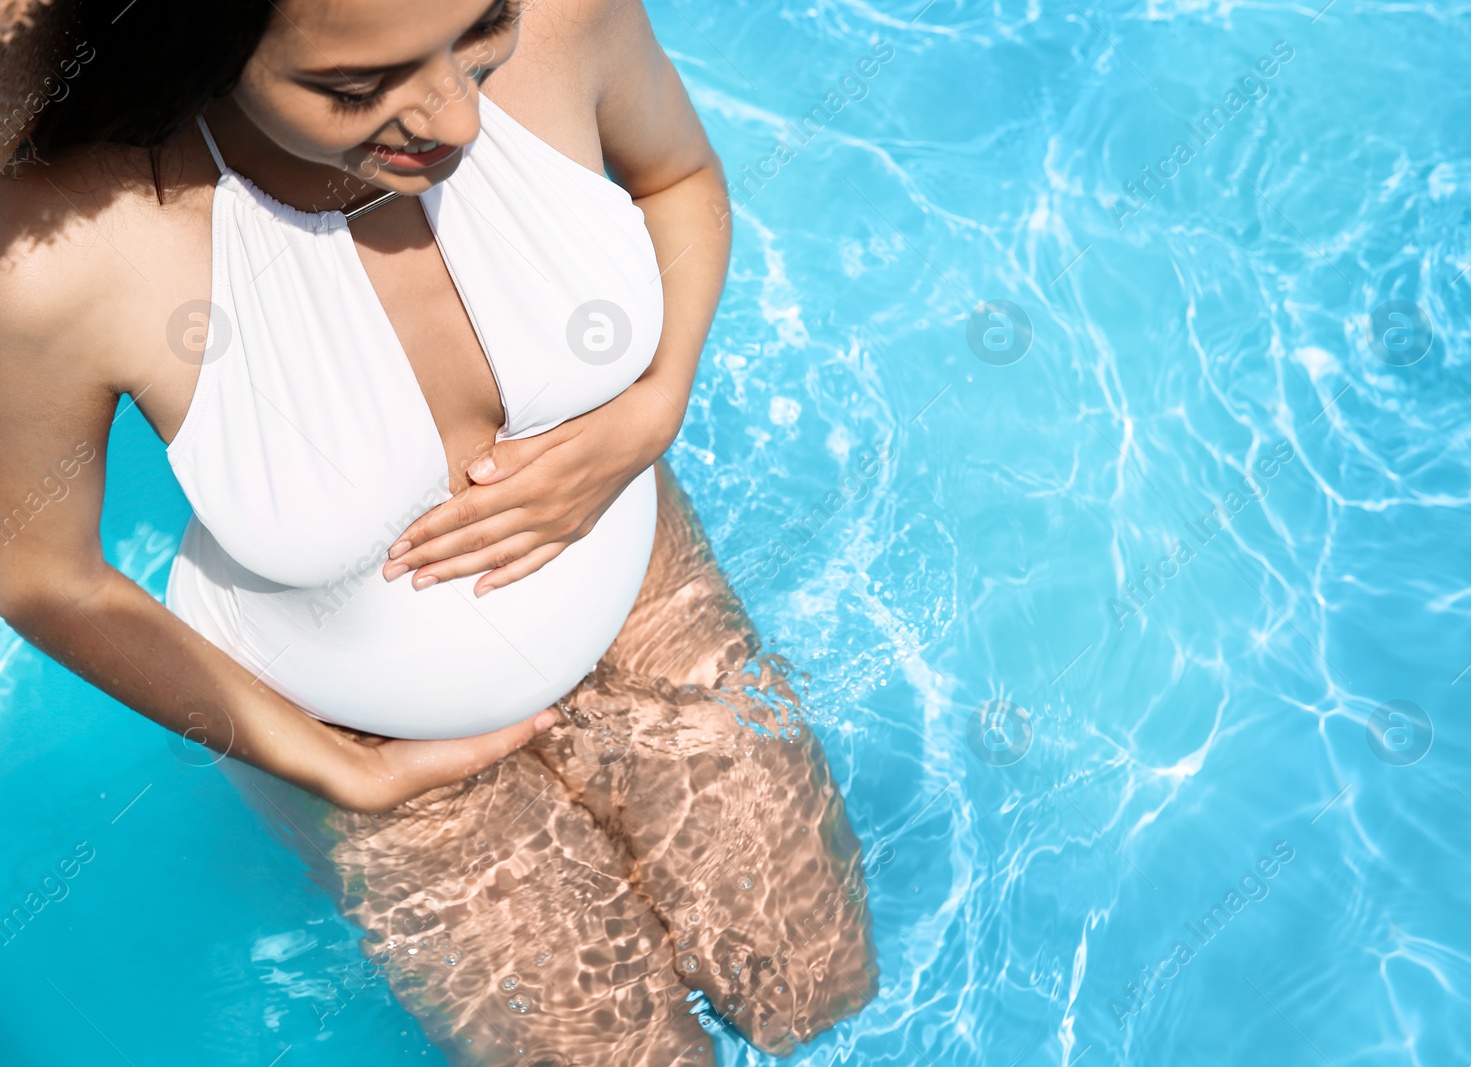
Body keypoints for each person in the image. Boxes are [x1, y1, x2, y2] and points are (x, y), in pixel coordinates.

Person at [0, 0, 877, 1061]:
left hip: (644, 597)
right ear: (209, 53)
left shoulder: (568, 21)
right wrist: (336, 774)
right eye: (356, 88)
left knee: (812, 987)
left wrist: (655, 403)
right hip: (366, 733)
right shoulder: (80, 253)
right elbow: (44, 574)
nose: (456, 118)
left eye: (480, 28)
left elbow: (676, 179)